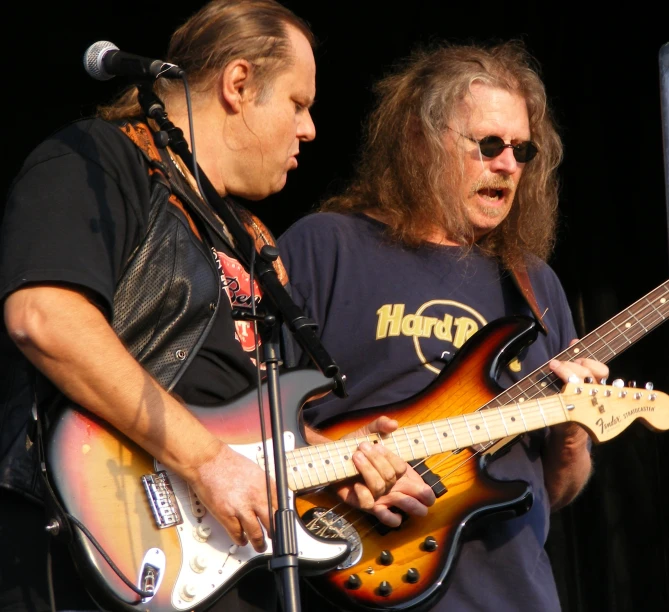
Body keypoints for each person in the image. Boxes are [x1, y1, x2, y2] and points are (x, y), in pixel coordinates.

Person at [0, 2, 409, 611]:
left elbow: (242, 422)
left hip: (227, 569)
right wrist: (206, 460)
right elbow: (45, 317)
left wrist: (332, 461)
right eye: (298, 104)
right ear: (238, 84)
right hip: (96, 550)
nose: (310, 130)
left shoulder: (257, 244)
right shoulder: (95, 161)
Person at [278, 40, 610, 611]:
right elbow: (244, 420)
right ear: (420, 141)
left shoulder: (536, 286)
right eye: (487, 145)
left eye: (521, 150)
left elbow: (551, 492)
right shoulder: (324, 246)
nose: (507, 165)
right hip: (359, 573)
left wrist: (573, 427)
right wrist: (337, 471)